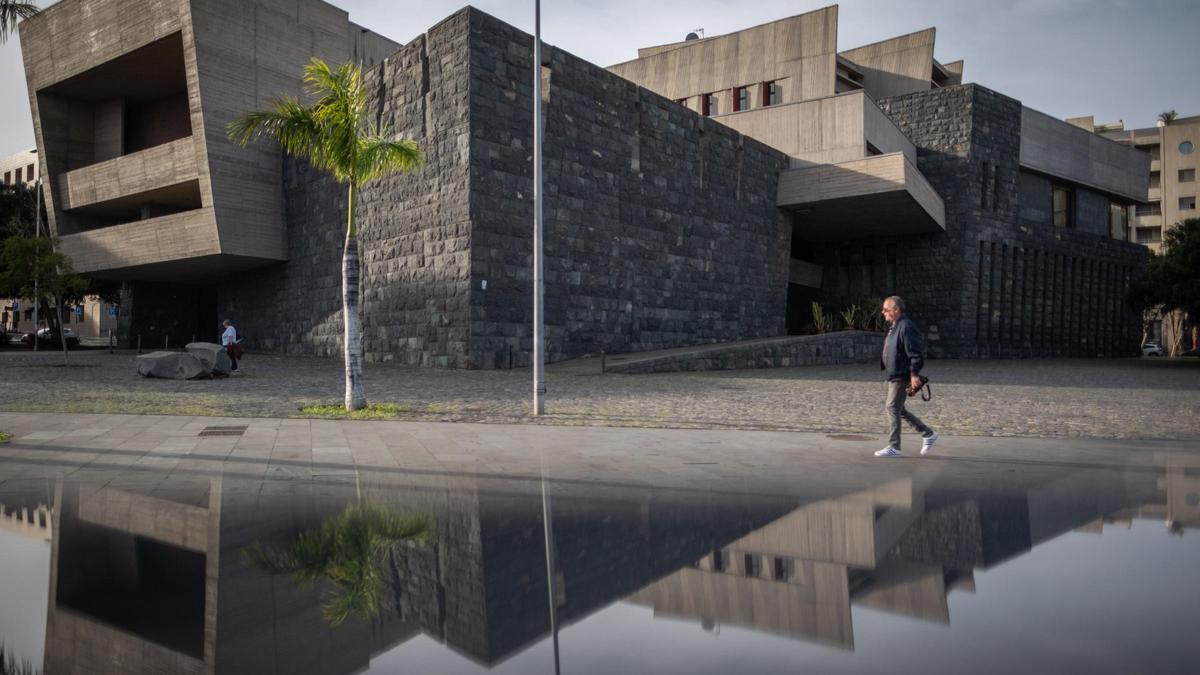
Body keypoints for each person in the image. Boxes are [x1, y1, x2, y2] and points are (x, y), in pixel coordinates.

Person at [874, 296, 937, 457]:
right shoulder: (896, 325)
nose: (883, 312)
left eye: (886, 309)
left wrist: (914, 374)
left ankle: (894, 446)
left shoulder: (906, 326)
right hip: (895, 373)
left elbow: (916, 354)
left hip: (901, 374)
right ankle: (928, 434)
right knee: (898, 408)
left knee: (892, 407)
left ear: (897, 309)